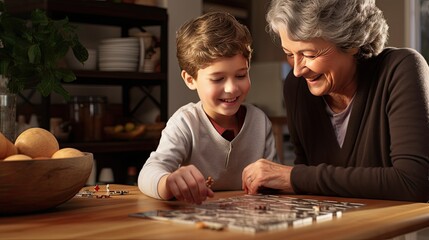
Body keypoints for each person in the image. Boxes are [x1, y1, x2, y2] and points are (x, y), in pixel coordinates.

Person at [242, 0, 429, 202]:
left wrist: (293, 177)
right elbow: (307, 187)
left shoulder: (401, 69)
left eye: (309, 54)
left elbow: (413, 182)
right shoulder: (296, 87)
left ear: (351, 44)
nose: (297, 70)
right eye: (289, 54)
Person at [138, 11, 278, 204]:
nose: (231, 88)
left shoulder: (260, 121)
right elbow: (148, 173)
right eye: (218, 79)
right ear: (190, 79)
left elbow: (275, 180)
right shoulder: (185, 122)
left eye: (240, 75)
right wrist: (168, 182)